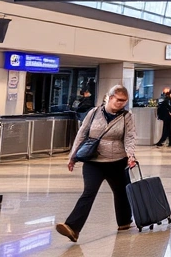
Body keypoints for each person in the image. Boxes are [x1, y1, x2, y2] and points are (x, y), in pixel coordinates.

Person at [56, 85, 137, 243]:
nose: (121, 104)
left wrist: (130, 155)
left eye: (124, 101)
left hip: (117, 162)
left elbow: (130, 137)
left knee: (121, 193)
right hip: (94, 162)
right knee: (89, 193)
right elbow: (82, 134)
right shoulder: (93, 113)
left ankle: (125, 222)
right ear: (110, 97)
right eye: (119, 100)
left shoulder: (127, 116)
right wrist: (72, 157)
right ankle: (72, 228)